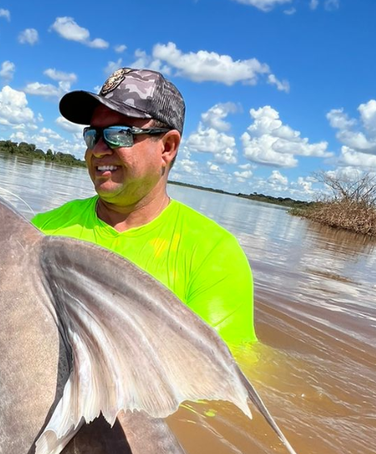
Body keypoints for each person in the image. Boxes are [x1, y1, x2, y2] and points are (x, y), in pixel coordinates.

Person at [31, 68, 257, 347]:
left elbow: (217, 380)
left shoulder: (214, 256)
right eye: (93, 135)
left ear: (168, 147)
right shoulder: (43, 229)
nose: (98, 150)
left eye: (119, 134)